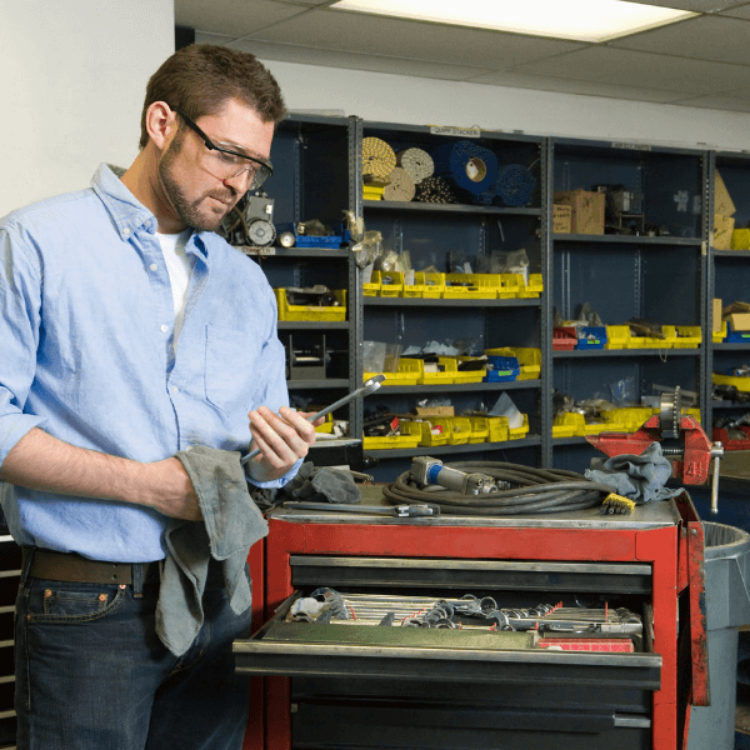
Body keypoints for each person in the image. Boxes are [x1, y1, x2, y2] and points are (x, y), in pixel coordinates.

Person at [0, 44, 317, 750]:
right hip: (87, 607)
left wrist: (277, 459)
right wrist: (148, 487)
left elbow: (269, 460)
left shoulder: (245, 283)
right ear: (163, 122)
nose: (241, 184)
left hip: (219, 601)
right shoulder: (37, 243)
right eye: (227, 155)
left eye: (255, 166)